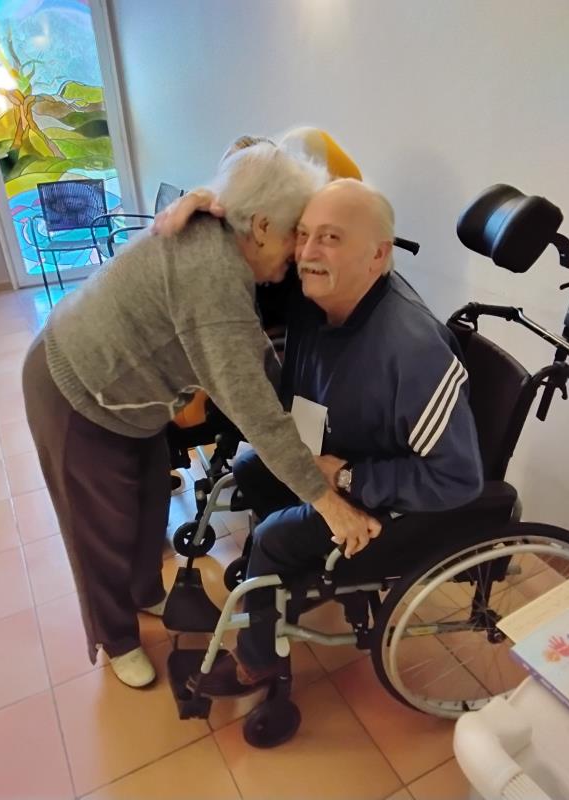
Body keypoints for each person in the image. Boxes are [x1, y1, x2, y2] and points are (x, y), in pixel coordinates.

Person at [22, 144, 381, 689]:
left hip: (130, 393)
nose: (300, 251)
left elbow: (250, 156)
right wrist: (328, 503)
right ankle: (116, 638)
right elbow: (252, 408)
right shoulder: (211, 275)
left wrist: (209, 192)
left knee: (148, 500)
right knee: (99, 529)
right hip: (75, 388)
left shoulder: (225, 230)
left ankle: (143, 591)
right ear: (262, 226)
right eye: (296, 234)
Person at [156, 177, 484, 697]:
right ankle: (286, 582)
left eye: (330, 238)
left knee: (274, 537)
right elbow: (245, 248)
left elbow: (459, 479)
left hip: (381, 491)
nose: (307, 252)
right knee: (251, 469)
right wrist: (206, 206)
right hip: (327, 449)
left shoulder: (412, 351)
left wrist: (348, 476)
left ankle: (257, 661)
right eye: (303, 234)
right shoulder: (312, 293)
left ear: (378, 255)